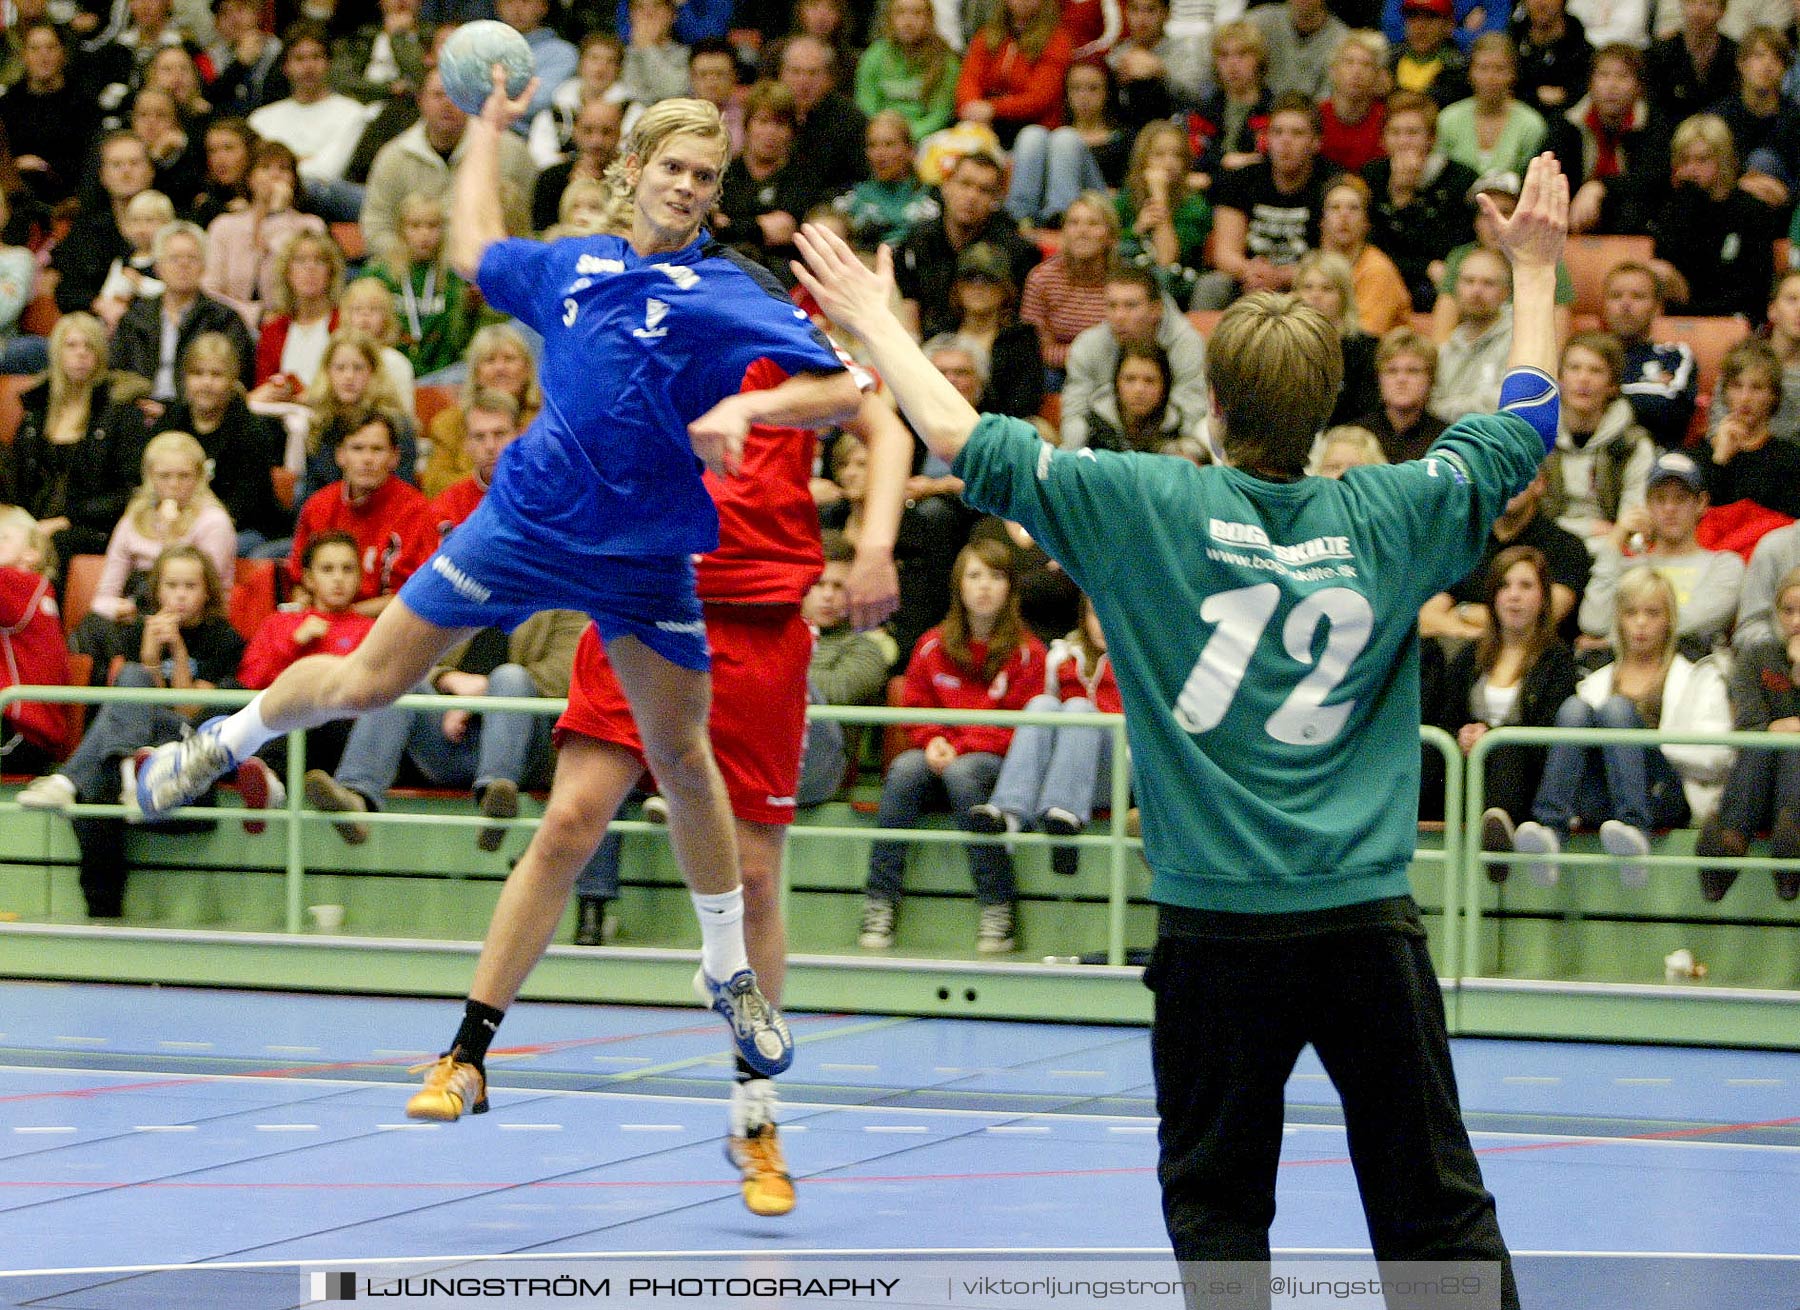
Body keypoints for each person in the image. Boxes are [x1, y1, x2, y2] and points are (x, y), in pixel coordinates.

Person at [791, 148, 1577, 1310]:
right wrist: (1535, 272)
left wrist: (871, 316)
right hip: (1366, 923)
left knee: (1218, 1209)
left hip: (1214, 935)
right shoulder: (1402, 505)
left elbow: (962, 434)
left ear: (1212, 409)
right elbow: (1529, 417)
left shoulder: (1143, 501)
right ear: (1328, 415)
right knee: (1432, 1206)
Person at [137, 87, 863, 1098]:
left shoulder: (720, 292)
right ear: (635, 171)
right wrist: (484, 127)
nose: (690, 188)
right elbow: (476, 242)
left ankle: (726, 969)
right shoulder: (572, 267)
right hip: (523, 521)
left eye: (707, 176)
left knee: (687, 761)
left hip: (641, 556)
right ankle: (221, 743)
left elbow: (845, 387)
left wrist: (753, 401)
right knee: (368, 678)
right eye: (675, 169)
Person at [17, 545, 244, 919]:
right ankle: (126, 769)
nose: (181, 595)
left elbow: (189, 710)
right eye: (172, 586)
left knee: (126, 700)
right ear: (158, 592)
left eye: (191, 586)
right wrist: (151, 656)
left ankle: (70, 779)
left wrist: (178, 650)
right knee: (134, 676)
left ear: (207, 592)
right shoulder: (138, 628)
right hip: (141, 739)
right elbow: (139, 703)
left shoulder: (223, 637)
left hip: (188, 742)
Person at [858, 537, 1045, 955]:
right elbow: (915, 706)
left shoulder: (1029, 653)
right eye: (974, 576)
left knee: (963, 775)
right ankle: (879, 901)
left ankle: (998, 905)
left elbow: (1021, 729)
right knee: (905, 770)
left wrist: (955, 745)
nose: (984, 587)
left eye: (996, 577)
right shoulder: (931, 644)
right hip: (938, 752)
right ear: (959, 585)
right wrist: (935, 739)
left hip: (993, 764)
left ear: (1011, 588)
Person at [1512, 565, 1733, 886]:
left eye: (1652, 613)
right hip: (1602, 797)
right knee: (1575, 708)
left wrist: (1644, 744)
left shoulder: (1700, 674)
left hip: (1664, 793)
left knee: (1616, 710)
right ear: (1619, 619)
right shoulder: (1594, 680)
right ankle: (1550, 831)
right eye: (1631, 613)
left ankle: (1635, 830)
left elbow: (1717, 757)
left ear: (1669, 619)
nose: (1641, 623)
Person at [1429, 544, 1579, 869]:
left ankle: (1499, 841)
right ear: (1493, 596)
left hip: (1526, 777)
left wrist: (1492, 735)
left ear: (1542, 598)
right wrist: (1462, 734)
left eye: (1525, 586)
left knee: (1504, 749)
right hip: (1469, 771)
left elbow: (1548, 735)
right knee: (1430, 745)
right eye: (1504, 586)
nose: (1513, 596)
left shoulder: (1558, 659)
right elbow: (1446, 719)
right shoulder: (1468, 657)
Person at [970, 592, 1121, 877]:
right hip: (1062, 773)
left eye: (1108, 614)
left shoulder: (1142, 660)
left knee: (1078, 707)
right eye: (1094, 614)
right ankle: (1011, 812)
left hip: (1121, 771)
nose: (1101, 623)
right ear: (1083, 617)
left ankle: (1066, 814)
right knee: (1042, 704)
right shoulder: (1061, 656)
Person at [1697, 562, 1800, 901]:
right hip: (1762, 781)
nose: (1796, 621)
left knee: (1790, 748)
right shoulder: (1757, 656)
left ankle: (1762, 838)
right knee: (1760, 744)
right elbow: (1750, 722)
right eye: (1788, 610)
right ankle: (1733, 846)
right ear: (1776, 614)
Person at [1578, 448, 1744, 658]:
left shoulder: (1724, 566)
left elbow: (1697, 621)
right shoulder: (1631, 568)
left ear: (1701, 503)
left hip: (1695, 671)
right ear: (1647, 504)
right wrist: (1614, 540)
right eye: (1660, 499)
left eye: (1680, 499)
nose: (1669, 508)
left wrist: (1613, 641)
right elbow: (1593, 621)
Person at [13, 313, 152, 563]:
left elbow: (131, 490)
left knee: (55, 544)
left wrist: (68, 519)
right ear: (57, 353)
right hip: (33, 521)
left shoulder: (119, 411)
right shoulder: (35, 411)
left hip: (92, 528)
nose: (81, 353)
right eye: (72, 345)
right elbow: (17, 478)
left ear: (100, 353)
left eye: (89, 345)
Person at [151, 332, 290, 555]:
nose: (206, 383)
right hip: (175, 524)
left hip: (245, 528)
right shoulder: (170, 421)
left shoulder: (251, 431)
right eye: (197, 373)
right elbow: (150, 482)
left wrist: (194, 529)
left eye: (216, 375)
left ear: (232, 379)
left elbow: (244, 506)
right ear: (185, 378)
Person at [1420, 461, 1591, 640]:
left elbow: (1541, 617)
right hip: (1465, 657)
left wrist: (1463, 612)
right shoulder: (1464, 542)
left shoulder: (1565, 546)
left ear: (1539, 484)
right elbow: (1426, 616)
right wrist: (1474, 636)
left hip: (1539, 661)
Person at [1060, 262, 1210, 451]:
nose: (1119, 316)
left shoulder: (1188, 345)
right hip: (1104, 442)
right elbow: (1075, 411)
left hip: (1167, 443)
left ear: (1156, 309)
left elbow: (1191, 409)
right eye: (1112, 306)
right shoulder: (1087, 345)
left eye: (1130, 306)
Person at [111, 221, 258, 402]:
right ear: (157, 267)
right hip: (141, 411)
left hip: (200, 413)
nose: (183, 265)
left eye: (192, 258)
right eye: (174, 258)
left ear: (204, 266)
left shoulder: (224, 319)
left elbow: (237, 378)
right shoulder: (135, 317)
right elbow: (117, 373)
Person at [1540, 331, 1655, 545]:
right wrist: (1586, 528)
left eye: (1595, 371)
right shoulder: (1538, 438)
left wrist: (1617, 534)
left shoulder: (1632, 445)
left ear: (1612, 386)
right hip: (1548, 546)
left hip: (1613, 545)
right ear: (1560, 379)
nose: (1583, 379)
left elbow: (1634, 521)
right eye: (1574, 368)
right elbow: (1527, 517)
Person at [201, 140, 327, 329]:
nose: (275, 175)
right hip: (233, 325)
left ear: (293, 180)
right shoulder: (224, 227)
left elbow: (293, 280)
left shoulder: (311, 227)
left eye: (283, 169)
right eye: (265, 168)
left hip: (293, 324)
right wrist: (255, 315)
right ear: (250, 178)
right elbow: (210, 291)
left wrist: (278, 214)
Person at [0, 507, 72, 780]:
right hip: (35, 736)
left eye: (4, 537)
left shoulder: (16, 582)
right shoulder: (37, 587)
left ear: (32, 553)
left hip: (22, 733)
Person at [1019, 191, 1116, 390]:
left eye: (1093, 224)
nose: (1082, 231)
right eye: (1074, 223)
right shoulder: (1042, 278)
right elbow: (1036, 347)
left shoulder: (1124, 282)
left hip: (1113, 368)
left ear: (1110, 237)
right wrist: (1083, 355)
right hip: (1057, 370)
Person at [1697, 337, 1800, 518]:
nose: (1745, 398)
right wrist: (1719, 461)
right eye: (1737, 386)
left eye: (1757, 388)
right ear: (1725, 392)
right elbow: (1695, 517)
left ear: (1773, 396)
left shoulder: (1790, 459)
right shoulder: (1700, 457)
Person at [1603, 260, 1696, 450]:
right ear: (1604, 305)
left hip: (1659, 460)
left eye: (1637, 296)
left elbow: (1671, 408)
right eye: (1616, 296)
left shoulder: (1675, 355)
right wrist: (1649, 391)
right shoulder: (1588, 355)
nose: (1625, 304)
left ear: (1657, 308)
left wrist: (1601, 396)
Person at [954, 0, 1075, 147]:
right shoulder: (986, 36)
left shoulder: (1057, 40)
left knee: (1031, 138)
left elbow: (1039, 98)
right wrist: (973, 107)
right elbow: (969, 79)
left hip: (1034, 126)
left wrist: (993, 108)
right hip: (986, 121)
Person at [1437, 33, 1550, 176]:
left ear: (1513, 74)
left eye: (1500, 69)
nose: (1491, 78)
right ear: (1470, 72)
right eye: (1483, 68)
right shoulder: (1448, 119)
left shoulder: (1531, 125)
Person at [1317, 173, 1413, 336]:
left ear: (1366, 223)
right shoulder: (1313, 265)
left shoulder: (1378, 270)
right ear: (1322, 221)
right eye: (1335, 208)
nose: (1343, 216)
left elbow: (1365, 337)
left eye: (1353, 208)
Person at [854, 0, 961, 142]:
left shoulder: (946, 62)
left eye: (917, 13)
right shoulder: (874, 56)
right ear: (890, 18)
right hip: (880, 136)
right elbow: (866, 106)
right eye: (900, 13)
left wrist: (905, 138)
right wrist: (885, 135)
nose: (908, 21)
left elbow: (940, 115)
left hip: (927, 139)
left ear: (929, 19)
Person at [1429, 244, 1514, 420]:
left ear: (1505, 293)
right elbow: (1429, 400)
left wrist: (1442, 410)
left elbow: (1505, 403)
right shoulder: (1448, 347)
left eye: (1488, 283)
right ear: (1457, 288)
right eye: (1469, 281)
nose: (1476, 291)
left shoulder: (1519, 339)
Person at [1358, 325, 1449, 460]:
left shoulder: (1445, 440)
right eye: (1392, 371)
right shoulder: (1357, 435)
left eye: (1413, 370)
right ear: (1379, 378)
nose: (1401, 379)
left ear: (1431, 378)